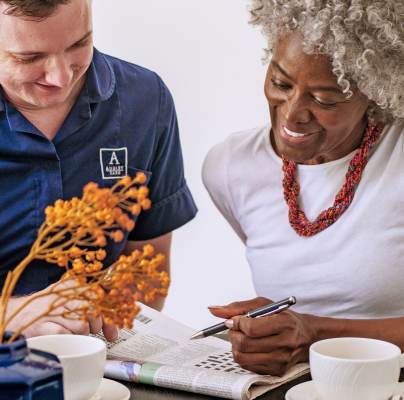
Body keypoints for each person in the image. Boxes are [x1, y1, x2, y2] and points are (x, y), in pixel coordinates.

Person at [203, 0, 404, 376]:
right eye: (281, 82)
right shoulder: (229, 166)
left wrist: (315, 334)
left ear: (376, 90)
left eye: (325, 98)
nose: (292, 114)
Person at [0, 0, 197, 340]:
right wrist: (14, 314)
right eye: (29, 58)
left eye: (80, 44)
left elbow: (149, 272)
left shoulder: (145, 100)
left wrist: (101, 312)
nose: (61, 77)